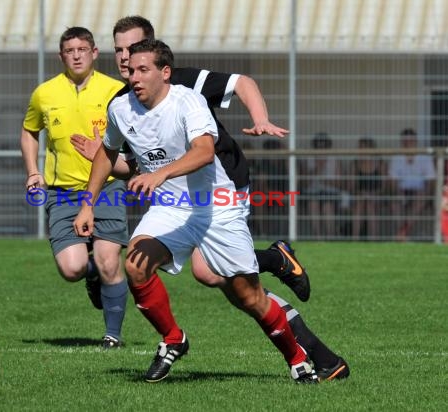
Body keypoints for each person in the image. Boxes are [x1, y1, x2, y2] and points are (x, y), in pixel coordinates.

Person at [70, 15, 349, 381]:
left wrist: (160, 173)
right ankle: (173, 339)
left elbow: (205, 149)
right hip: (172, 204)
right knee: (138, 264)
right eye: (121, 52)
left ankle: (297, 357)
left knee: (244, 293)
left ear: (162, 68)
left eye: (136, 58)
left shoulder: (188, 95)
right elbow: (112, 156)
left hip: (220, 198)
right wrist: (89, 201)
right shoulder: (120, 105)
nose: (127, 64)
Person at [20, 27, 129, 349]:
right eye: (70, 50)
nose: (77, 55)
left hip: (108, 186)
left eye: (83, 49)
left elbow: (135, 135)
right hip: (63, 190)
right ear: (62, 56)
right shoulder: (45, 93)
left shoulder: (117, 90)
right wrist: (32, 171)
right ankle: (90, 271)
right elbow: (29, 131)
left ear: (95, 53)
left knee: (111, 261)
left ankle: (113, 336)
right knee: (72, 268)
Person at [389, 128, 436, 240]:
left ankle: (403, 231)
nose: (407, 144)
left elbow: (431, 181)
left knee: (420, 197)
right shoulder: (396, 158)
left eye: (410, 141)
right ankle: (403, 233)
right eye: (404, 141)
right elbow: (393, 182)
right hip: (402, 191)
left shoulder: (425, 158)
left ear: (416, 142)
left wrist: (428, 195)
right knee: (394, 203)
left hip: (420, 191)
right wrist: (397, 192)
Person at [300, 132, 347, 238]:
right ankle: (318, 236)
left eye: (324, 146)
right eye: (318, 147)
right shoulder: (309, 159)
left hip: (331, 193)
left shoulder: (334, 160)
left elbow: (340, 184)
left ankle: (330, 235)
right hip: (312, 192)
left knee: (327, 207)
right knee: (313, 205)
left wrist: (325, 180)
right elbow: (303, 183)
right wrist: (316, 170)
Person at [351, 137, 387, 239]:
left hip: (377, 196)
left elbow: (385, 187)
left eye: (363, 147)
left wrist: (374, 194)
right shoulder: (355, 164)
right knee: (359, 206)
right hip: (359, 197)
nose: (360, 150)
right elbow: (351, 186)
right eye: (359, 148)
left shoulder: (380, 164)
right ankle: (355, 240)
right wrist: (360, 193)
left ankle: (373, 239)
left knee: (371, 206)